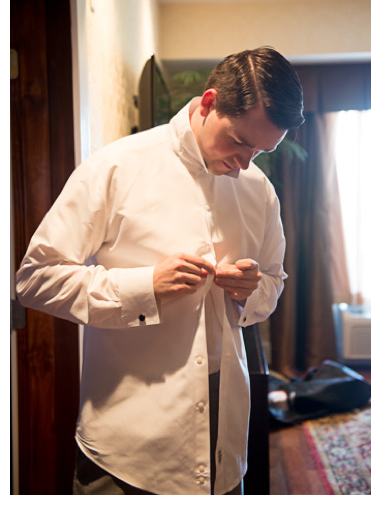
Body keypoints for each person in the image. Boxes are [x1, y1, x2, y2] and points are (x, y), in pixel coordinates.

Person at [15, 47, 305, 495]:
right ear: (209, 104)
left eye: (262, 151)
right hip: (129, 443)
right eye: (240, 142)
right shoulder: (115, 168)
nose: (246, 163)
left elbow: (273, 283)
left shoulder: (259, 191)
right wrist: (145, 287)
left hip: (225, 433)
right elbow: (35, 278)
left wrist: (251, 290)